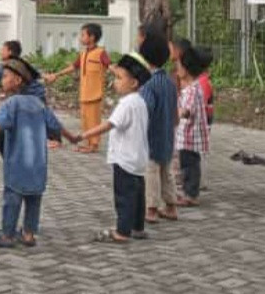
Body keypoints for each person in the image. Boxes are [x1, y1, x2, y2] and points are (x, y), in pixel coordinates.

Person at [0, 58, 79, 248]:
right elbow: (56, 125)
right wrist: (72, 138)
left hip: (17, 162)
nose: (3, 79)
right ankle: (28, 234)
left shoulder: (12, 104)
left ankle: (8, 235)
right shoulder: (39, 104)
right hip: (38, 163)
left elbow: (1, 124)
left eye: (6, 76)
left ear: (18, 81)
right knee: (34, 199)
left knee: (12, 197)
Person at [77, 53, 151, 244]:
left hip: (124, 158)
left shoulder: (126, 104)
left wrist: (85, 135)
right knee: (138, 195)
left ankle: (122, 232)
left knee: (124, 196)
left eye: (119, 78)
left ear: (134, 83)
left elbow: (109, 124)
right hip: (138, 158)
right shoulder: (140, 101)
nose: (115, 82)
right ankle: (137, 227)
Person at [45, 23, 111, 153]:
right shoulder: (83, 53)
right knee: (85, 120)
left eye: (83, 35)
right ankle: (88, 143)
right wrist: (56, 75)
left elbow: (110, 66)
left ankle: (94, 145)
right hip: (84, 93)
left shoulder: (101, 53)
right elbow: (73, 67)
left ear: (92, 37)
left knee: (93, 120)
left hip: (95, 93)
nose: (81, 38)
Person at [140, 31, 179, 224]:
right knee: (167, 171)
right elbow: (175, 110)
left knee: (152, 172)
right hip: (168, 133)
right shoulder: (171, 83)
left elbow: (145, 109)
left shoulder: (148, 84)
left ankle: (152, 208)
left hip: (152, 135)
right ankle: (171, 206)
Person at [175, 44, 213, 206]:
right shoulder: (193, 87)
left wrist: (176, 112)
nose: (177, 70)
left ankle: (191, 194)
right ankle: (188, 191)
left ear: (187, 69)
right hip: (187, 134)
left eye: (179, 67)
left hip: (190, 135)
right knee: (188, 163)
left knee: (190, 164)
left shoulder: (192, 89)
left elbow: (187, 111)